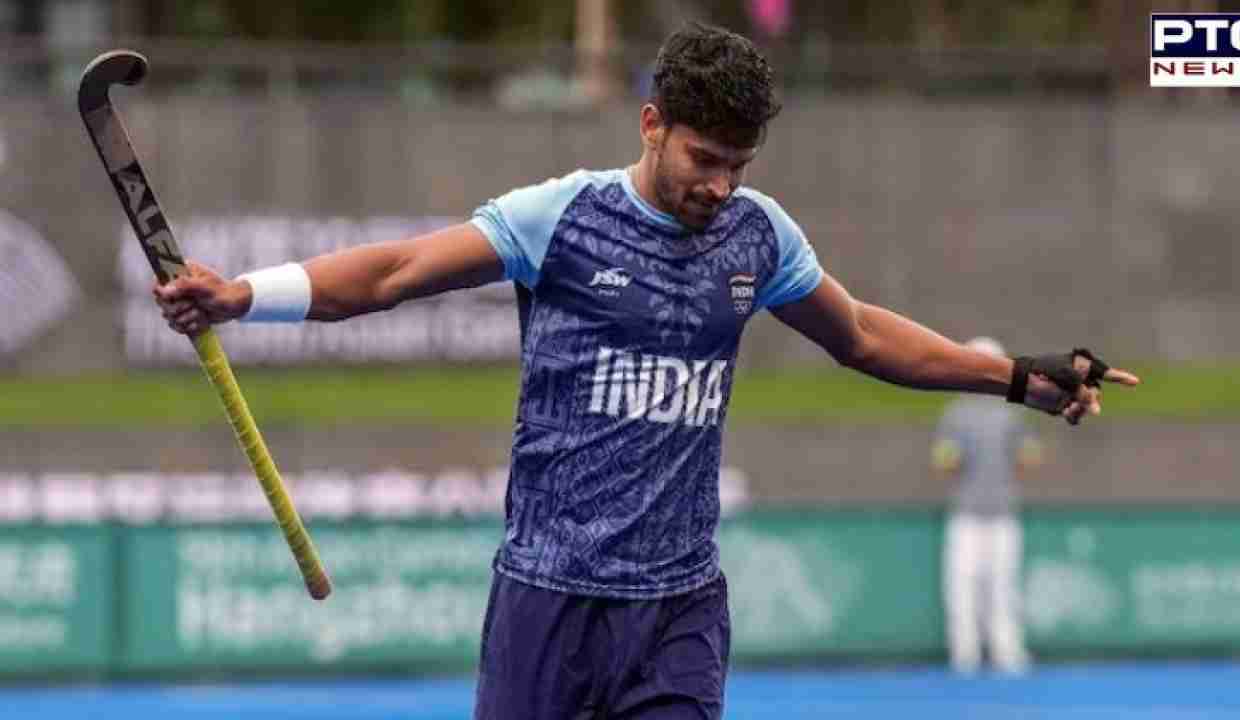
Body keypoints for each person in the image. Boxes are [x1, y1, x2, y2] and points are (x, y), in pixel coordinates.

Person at [154, 22, 1139, 720]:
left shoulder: (758, 236)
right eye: (704, 158)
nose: (720, 185)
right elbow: (396, 271)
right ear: (651, 122)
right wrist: (243, 295)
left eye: (738, 165)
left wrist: (1016, 378)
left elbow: (863, 337)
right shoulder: (561, 218)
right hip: (547, 599)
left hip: (678, 611)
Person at [933, 336, 1041, 676]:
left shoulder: (974, 414)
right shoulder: (988, 413)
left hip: (991, 513)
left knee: (986, 585)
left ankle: (986, 653)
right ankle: (977, 654)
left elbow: (946, 462)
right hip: (975, 513)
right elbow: (1028, 458)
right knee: (980, 586)